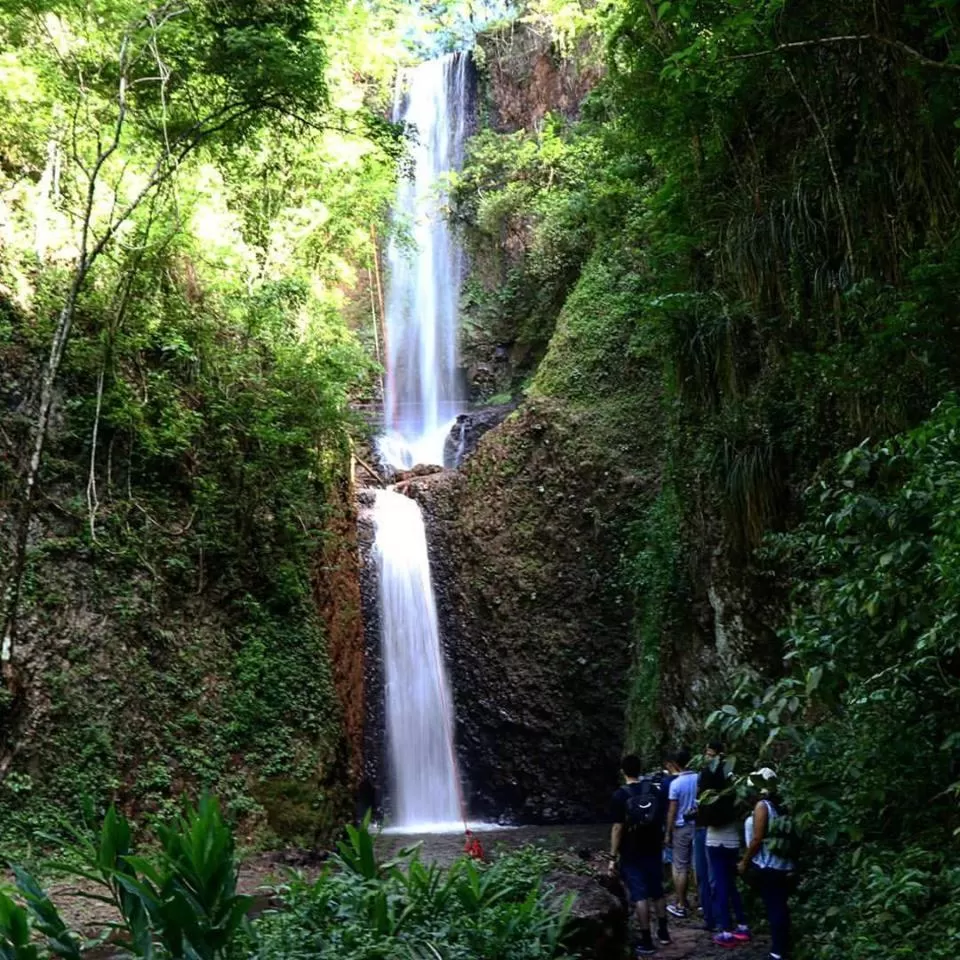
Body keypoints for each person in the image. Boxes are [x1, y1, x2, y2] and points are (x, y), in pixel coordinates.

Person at [609, 754, 671, 956]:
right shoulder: (654, 790)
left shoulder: (620, 795)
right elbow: (662, 816)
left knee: (640, 895)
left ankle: (646, 940)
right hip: (653, 847)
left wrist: (612, 857)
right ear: (640, 769)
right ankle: (663, 932)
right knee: (658, 891)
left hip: (631, 851)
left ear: (622, 771)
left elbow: (618, 828)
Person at [698, 747, 750, 948]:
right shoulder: (733, 778)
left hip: (714, 840)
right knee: (731, 885)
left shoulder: (707, 779)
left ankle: (726, 930)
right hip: (733, 839)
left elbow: (702, 810)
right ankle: (742, 925)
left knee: (720, 885)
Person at [739, 768, 794, 960]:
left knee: (775, 908)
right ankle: (782, 946)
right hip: (784, 864)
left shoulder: (763, 806)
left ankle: (778, 951)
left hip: (769, 866)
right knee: (780, 907)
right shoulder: (781, 805)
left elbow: (757, 838)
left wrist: (745, 862)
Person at [664, 748, 698, 918]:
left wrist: (668, 833)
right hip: (698, 826)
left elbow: (672, 810)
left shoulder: (676, 784)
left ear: (676, 764)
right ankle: (702, 903)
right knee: (697, 866)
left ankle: (681, 904)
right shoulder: (699, 778)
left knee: (680, 867)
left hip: (681, 827)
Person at [693, 741, 720, 930]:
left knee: (709, 876)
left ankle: (715, 919)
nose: (707, 757)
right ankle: (713, 919)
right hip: (706, 827)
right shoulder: (709, 774)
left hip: (707, 829)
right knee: (708, 877)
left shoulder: (709, 775)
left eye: (710, 754)